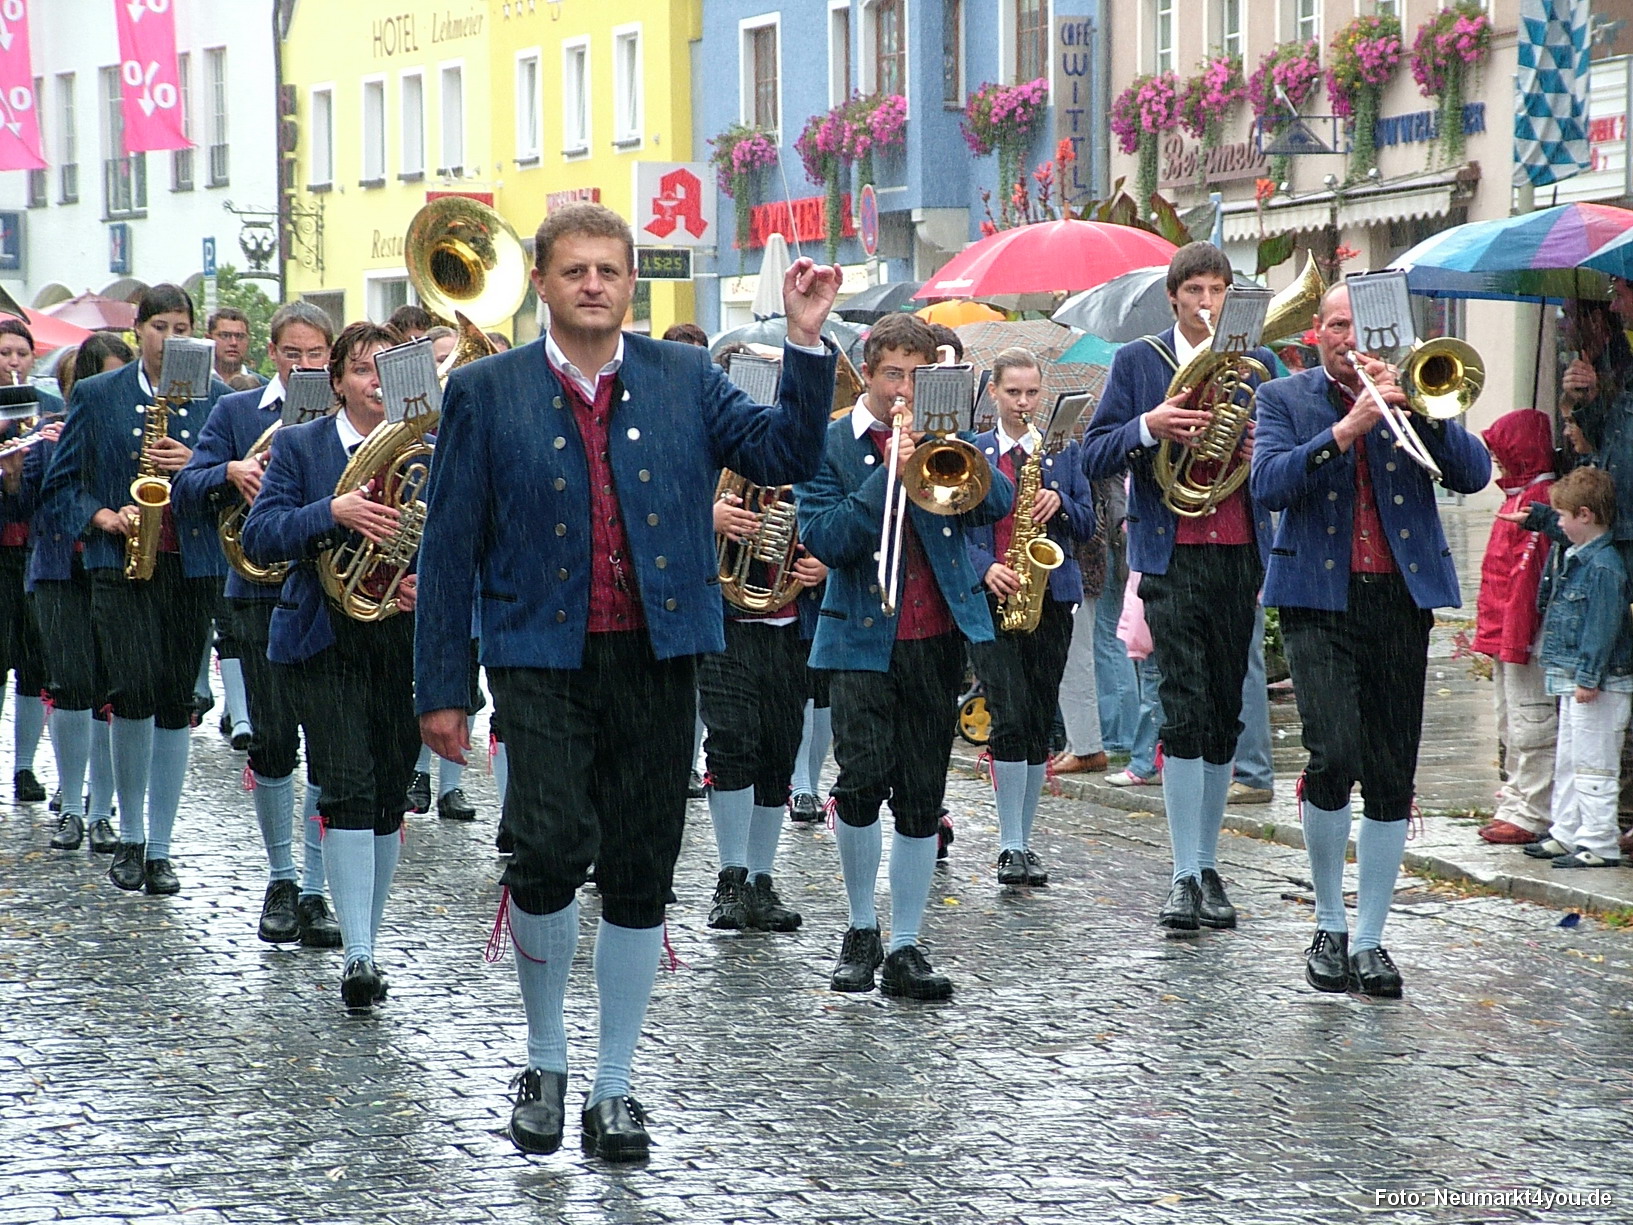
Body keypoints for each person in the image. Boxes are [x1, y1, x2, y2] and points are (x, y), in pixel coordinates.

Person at [415, 202, 840, 1162]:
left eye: (609, 270)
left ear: (631, 283)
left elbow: (783, 454)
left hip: (659, 654)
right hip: (538, 656)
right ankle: (545, 1059)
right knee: (546, 850)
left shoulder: (683, 375)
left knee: (643, 869)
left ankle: (614, 1084)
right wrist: (441, 687)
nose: (593, 285)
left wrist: (806, 340)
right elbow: (447, 547)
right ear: (541, 281)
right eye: (575, 270)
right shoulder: (483, 389)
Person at [1251, 282, 1490, 998]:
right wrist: (1345, 430)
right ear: (1315, 332)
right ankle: (1328, 921)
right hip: (1315, 599)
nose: (1347, 338)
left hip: (1399, 600)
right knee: (1334, 753)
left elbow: (1473, 473)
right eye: (1335, 325)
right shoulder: (1283, 398)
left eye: (1359, 326)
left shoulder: (1412, 390)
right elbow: (1267, 484)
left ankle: (1371, 939)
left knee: (1390, 772)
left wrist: (1422, 412)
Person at [796, 311, 1012, 999]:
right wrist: (887, 473)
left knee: (923, 794)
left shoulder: (945, 439)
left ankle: (908, 944)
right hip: (858, 640)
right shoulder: (829, 443)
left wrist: (957, 446)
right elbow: (827, 538)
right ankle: (861, 927)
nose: (905, 391)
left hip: (935, 637)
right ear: (867, 372)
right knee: (860, 782)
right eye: (894, 375)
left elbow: (998, 503)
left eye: (918, 378)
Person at [1082, 242, 1276, 933]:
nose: (1206, 302)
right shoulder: (1140, 362)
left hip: (1239, 553)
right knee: (1183, 706)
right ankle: (1182, 871)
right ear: (1173, 297)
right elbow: (1093, 452)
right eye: (1194, 289)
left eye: (1217, 290)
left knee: (1223, 710)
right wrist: (1148, 426)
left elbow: (1283, 457)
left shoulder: (1259, 361)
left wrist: (1258, 449)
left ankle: (1209, 863)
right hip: (1170, 555)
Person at [240, 320, 419, 1010]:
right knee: (345, 782)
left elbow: (453, 538)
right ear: (338, 381)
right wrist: (331, 510)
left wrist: (424, 581)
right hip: (323, 637)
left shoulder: (425, 448)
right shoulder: (300, 444)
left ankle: (368, 933)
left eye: (388, 370)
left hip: (397, 635)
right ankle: (359, 955)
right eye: (363, 370)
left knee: (388, 792)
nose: (376, 383)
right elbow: (260, 535)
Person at [41, 283, 230, 897]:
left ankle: (162, 846)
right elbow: (62, 484)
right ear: (138, 331)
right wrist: (102, 517)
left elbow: (231, 487)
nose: (171, 340)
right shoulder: (99, 394)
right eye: (160, 328)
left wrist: (196, 464)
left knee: (176, 698)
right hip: (120, 563)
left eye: (182, 329)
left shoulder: (215, 397)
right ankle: (130, 834)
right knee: (132, 689)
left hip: (190, 563)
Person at [173, 301, 342, 948]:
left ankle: (317, 888)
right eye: (292, 353)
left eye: (315, 354)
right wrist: (231, 470)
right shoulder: (238, 412)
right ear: (272, 353)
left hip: (327, 593)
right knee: (271, 740)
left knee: (330, 744)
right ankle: (281, 878)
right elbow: (187, 485)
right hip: (256, 591)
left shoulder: (346, 417)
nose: (304, 364)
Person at [966, 348, 1094, 886]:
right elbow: (952, 528)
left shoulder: (1062, 453)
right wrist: (985, 567)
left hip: (1050, 599)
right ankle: (1008, 842)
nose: (1023, 402)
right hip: (992, 598)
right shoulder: (973, 452)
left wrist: (1059, 502)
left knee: (1038, 718)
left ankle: (1025, 836)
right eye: (1013, 392)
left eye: (1032, 393)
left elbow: (1088, 525)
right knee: (1010, 716)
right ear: (993, 393)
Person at [700, 469, 824, 932]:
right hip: (725, 627)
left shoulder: (810, 462)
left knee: (779, 750)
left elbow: (838, 520)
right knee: (732, 741)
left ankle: (760, 880)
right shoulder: (715, 455)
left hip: (790, 628)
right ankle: (730, 877)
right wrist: (708, 518)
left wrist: (825, 560)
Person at [30, 336, 130, 852]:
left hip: (114, 568)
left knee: (113, 691)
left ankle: (102, 809)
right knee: (71, 684)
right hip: (60, 570)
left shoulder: (133, 432)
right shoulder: (51, 433)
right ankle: (71, 804)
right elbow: (38, 497)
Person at [1507, 468, 1633, 869]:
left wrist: (1588, 676)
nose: (1557, 524)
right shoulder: (1579, 555)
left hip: (1599, 681)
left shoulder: (1604, 567)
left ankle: (1599, 840)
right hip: (1574, 675)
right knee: (1570, 758)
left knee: (1595, 762)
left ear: (1585, 515)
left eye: (1561, 516)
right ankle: (1567, 829)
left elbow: (1602, 626)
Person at [1471, 409, 1558, 846]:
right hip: (1505, 630)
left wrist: (1515, 637)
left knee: (1532, 723)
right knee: (1511, 722)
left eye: (1502, 453)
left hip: (1524, 634)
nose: (1497, 463)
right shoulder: (1518, 498)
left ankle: (1534, 810)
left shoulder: (1539, 502)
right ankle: (1515, 798)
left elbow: (1526, 578)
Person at [0, 317, 59, 802]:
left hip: (34, 552)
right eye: (4, 353)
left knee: (34, 662)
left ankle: (24, 766)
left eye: (21, 353)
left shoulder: (45, 409)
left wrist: (22, 475)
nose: (13, 362)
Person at [208, 308, 263, 386]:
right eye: (225, 335)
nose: (233, 343)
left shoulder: (265, 388)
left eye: (240, 336)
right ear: (208, 339)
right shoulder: (196, 383)